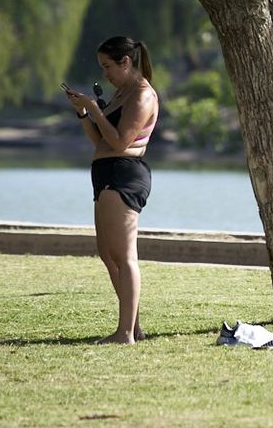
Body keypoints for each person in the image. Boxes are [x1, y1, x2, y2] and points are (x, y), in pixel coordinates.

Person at [64, 36, 159, 344]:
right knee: (107, 253)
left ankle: (126, 333)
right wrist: (83, 113)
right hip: (104, 172)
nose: (104, 73)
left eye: (107, 66)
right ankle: (135, 326)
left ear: (125, 62)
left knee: (125, 255)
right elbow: (101, 140)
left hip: (124, 175)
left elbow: (120, 142)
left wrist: (94, 108)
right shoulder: (122, 93)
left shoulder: (142, 96)